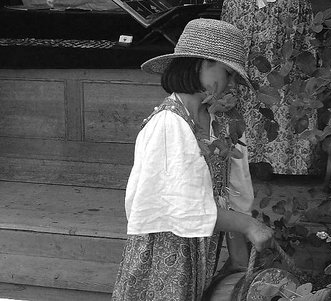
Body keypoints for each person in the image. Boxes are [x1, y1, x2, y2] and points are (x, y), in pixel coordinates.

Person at [111, 18, 274, 301]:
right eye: (228, 72)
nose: (230, 83)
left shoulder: (221, 123)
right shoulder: (168, 125)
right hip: (165, 252)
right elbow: (183, 206)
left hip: (200, 250)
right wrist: (249, 226)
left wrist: (238, 258)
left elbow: (234, 193)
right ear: (203, 63)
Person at [221, 0, 320, 175]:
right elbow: (224, 44)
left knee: (277, 112)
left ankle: (274, 163)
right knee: (239, 112)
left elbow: (306, 46)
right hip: (241, 78)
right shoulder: (234, 3)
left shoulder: (296, 4)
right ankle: (241, 160)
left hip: (280, 78)